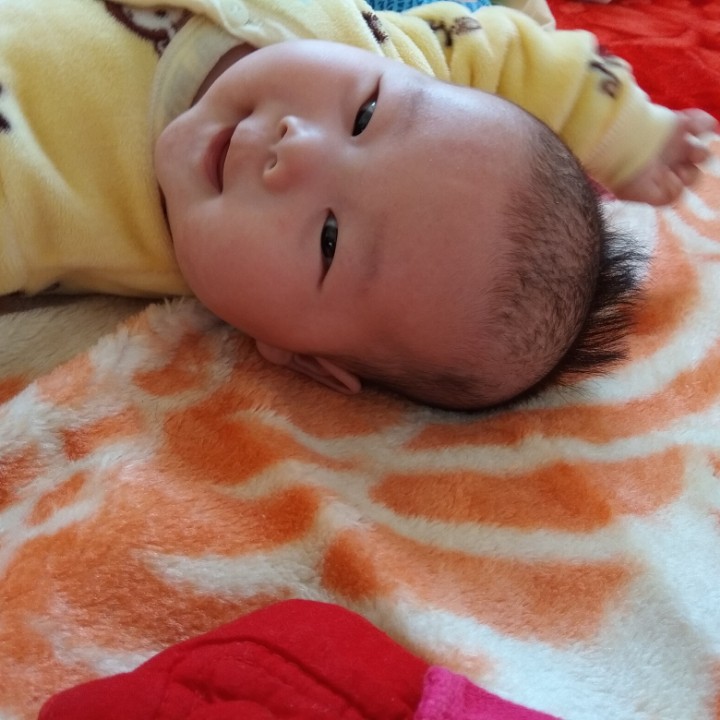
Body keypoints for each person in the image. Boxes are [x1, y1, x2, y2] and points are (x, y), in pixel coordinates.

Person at [0, 0, 715, 410]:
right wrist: (635, 138)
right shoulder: (389, 56)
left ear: (302, 358)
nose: (297, 149)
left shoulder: (46, 210)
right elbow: (509, 54)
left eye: (330, 241)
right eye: (366, 115)